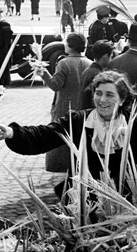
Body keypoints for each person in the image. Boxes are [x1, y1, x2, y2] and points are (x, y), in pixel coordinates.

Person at [0, 71, 137, 190]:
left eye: (110, 95)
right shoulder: (79, 120)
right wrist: (12, 132)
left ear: (122, 99)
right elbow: (45, 135)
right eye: (98, 93)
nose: (102, 100)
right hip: (85, 194)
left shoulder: (134, 124)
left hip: (123, 194)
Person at [38, 33, 92, 172]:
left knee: (59, 137)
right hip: (82, 107)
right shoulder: (90, 63)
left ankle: (59, 166)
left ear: (71, 46)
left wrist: (43, 73)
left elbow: (55, 85)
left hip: (64, 106)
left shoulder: (64, 63)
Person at [80, 40, 114, 109]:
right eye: (111, 57)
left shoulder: (87, 70)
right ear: (105, 56)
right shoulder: (99, 75)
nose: (111, 60)